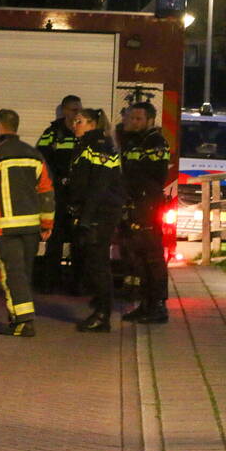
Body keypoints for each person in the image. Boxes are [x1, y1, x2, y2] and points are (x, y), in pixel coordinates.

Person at [0, 109, 55, 336]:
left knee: (12, 273)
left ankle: (23, 321)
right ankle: (19, 316)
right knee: (24, 272)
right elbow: (47, 191)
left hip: (5, 226)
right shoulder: (34, 154)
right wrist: (47, 224)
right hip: (31, 226)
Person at [66, 108, 125, 332]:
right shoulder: (86, 144)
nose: (74, 125)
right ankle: (100, 305)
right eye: (74, 120)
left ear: (92, 124)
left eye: (79, 121)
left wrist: (87, 218)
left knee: (98, 262)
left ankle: (103, 315)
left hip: (101, 212)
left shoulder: (99, 146)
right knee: (91, 261)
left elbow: (99, 186)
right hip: (93, 211)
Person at [118, 101, 171, 324]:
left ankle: (158, 306)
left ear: (150, 120)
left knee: (152, 256)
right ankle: (145, 304)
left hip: (148, 205)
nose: (132, 122)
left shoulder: (156, 142)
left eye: (138, 119)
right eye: (130, 118)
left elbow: (154, 176)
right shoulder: (132, 142)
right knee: (138, 257)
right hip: (135, 205)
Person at [35, 94, 83, 292]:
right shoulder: (52, 133)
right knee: (54, 241)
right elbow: (41, 159)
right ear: (64, 111)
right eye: (73, 109)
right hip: (58, 197)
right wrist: (55, 180)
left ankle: (77, 285)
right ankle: (49, 283)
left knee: (79, 243)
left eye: (79, 109)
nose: (76, 113)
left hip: (78, 196)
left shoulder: (84, 132)